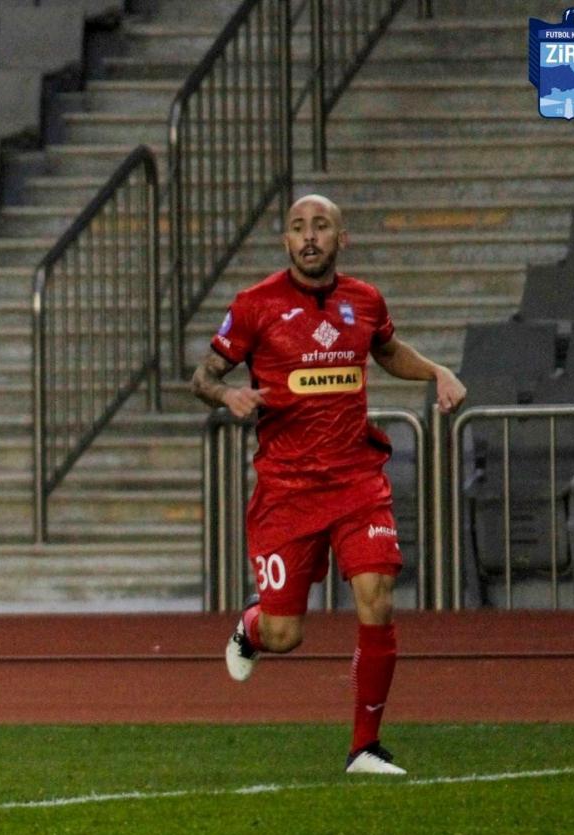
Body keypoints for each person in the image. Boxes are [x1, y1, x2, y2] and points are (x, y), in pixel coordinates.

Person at [191, 193, 467, 774]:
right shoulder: (254, 305)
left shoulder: (364, 300)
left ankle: (364, 746)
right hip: (287, 491)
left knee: (378, 597)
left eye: (320, 226)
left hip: (356, 479)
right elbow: (204, 375)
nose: (309, 236)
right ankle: (252, 628)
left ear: (342, 239)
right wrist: (226, 394)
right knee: (284, 633)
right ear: (286, 242)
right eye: (298, 227)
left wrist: (437, 370)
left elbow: (388, 351)